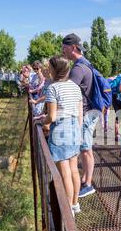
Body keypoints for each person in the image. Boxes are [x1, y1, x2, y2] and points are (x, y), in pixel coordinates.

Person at [40, 56, 83, 215]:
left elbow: (51, 115)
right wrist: (78, 132)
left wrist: (44, 123)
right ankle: (75, 204)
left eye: (50, 67)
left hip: (61, 130)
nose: (48, 69)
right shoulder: (75, 86)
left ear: (55, 69)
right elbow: (80, 113)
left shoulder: (53, 88)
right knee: (73, 169)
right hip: (74, 128)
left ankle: (67, 210)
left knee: (64, 171)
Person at [62, 33, 98, 198]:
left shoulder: (78, 68)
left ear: (73, 48)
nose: (63, 52)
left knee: (86, 150)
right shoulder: (85, 64)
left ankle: (89, 184)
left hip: (86, 113)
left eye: (64, 48)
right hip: (88, 111)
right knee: (85, 149)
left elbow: (68, 92)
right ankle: (85, 178)